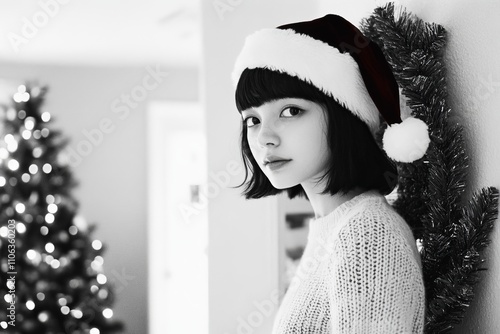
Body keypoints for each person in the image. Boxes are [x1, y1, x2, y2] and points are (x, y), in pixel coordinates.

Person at [231, 14, 428, 333]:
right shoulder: (334, 228)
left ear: (344, 115)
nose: (264, 136)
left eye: (290, 111)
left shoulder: (367, 233)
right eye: (252, 119)